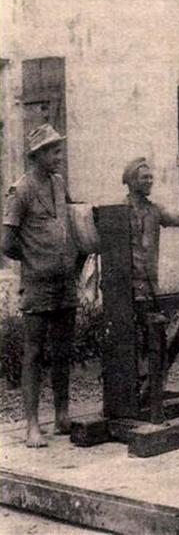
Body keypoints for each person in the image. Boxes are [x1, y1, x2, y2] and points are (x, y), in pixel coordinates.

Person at [1, 124, 81, 447]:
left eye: (59, 149)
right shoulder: (19, 191)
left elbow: (73, 217)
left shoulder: (59, 184)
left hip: (65, 281)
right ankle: (32, 425)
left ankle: (62, 415)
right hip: (37, 284)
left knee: (63, 350)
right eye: (53, 151)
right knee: (33, 352)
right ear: (38, 155)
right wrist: (33, 258)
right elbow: (6, 242)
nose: (59, 156)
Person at [122, 157, 179, 403]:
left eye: (151, 177)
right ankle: (130, 389)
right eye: (145, 177)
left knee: (155, 336)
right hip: (128, 286)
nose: (150, 181)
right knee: (129, 338)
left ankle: (152, 389)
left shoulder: (155, 211)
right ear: (132, 181)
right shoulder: (120, 211)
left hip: (150, 286)